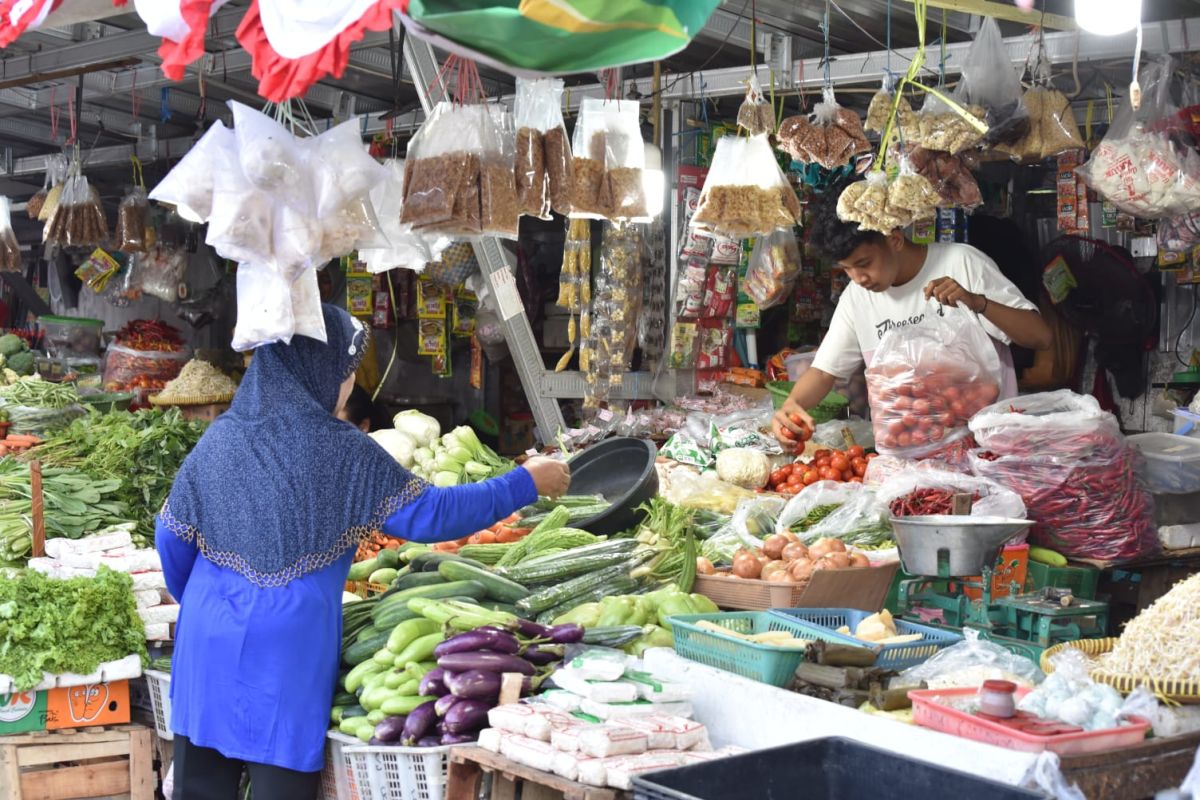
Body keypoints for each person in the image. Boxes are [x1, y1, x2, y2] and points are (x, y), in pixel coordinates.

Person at [157, 304, 570, 800]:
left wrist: (215, 597)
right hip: (287, 645)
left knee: (200, 789)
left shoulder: (222, 436)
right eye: (346, 371)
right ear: (316, 369)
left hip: (207, 634)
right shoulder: (342, 449)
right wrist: (524, 481)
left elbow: (172, 537)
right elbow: (432, 516)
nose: (349, 384)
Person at [773, 186, 1054, 448]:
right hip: (908, 457)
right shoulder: (856, 297)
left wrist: (977, 302)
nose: (858, 278)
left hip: (984, 448)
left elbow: (1040, 337)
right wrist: (792, 404)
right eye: (847, 269)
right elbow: (824, 371)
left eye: (864, 264)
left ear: (894, 239)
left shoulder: (962, 262)